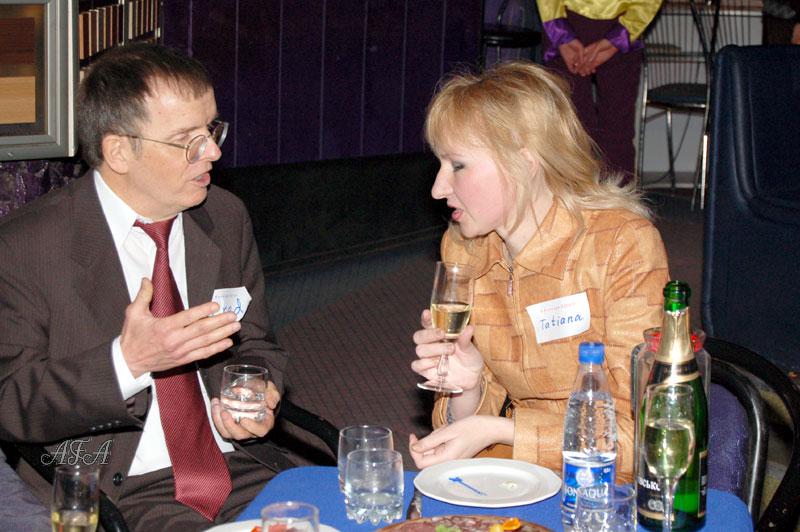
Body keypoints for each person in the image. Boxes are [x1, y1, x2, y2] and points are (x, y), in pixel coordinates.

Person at [0, 43, 290, 530]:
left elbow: (257, 343)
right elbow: (10, 401)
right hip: (118, 487)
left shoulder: (224, 217)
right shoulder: (26, 246)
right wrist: (127, 362)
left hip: (240, 465)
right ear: (119, 151)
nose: (213, 152)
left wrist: (255, 389)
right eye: (187, 140)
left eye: (211, 130)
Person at [409, 61, 669, 483]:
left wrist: (503, 430)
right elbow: (465, 424)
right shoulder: (466, 248)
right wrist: (468, 385)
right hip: (518, 475)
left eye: (458, 165)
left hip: (605, 487)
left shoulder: (622, 245)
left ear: (524, 161)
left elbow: (640, 438)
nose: (438, 189)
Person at [536, 0, 663, 183]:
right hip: (576, 18)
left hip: (610, 20)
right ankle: (580, 195)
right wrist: (560, 33)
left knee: (606, 128)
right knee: (571, 126)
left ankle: (609, 197)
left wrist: (619, 37)